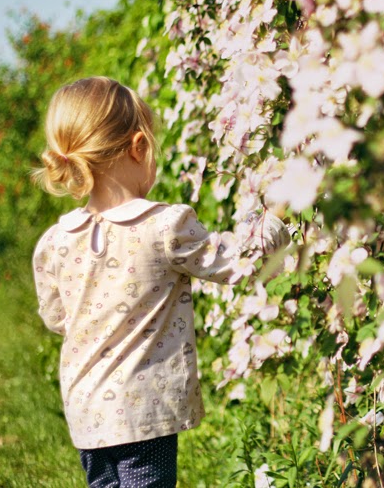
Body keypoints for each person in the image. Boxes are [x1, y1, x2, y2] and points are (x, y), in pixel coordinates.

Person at [31, 76, 289, 487]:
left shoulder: (56, 241)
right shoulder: (165, 227)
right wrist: (274, 218)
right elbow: (238, 262)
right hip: (143, 411)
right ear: (138, 147)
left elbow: (56, 318)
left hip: (86, 411)